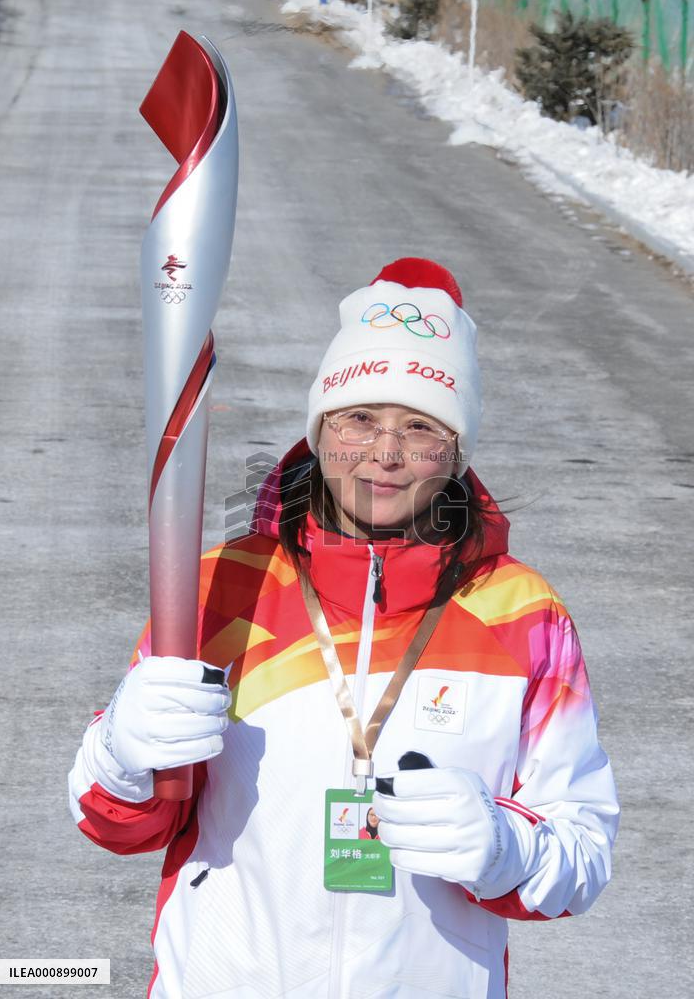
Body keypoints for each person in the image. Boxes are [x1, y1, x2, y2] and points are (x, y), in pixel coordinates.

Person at [68, 258, 619, 999]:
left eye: (420, 426)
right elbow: (114, 823)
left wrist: (503, 847)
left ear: (456, 451)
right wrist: (120, 754)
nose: (384, 453)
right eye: (359, 418)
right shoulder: (222, 588)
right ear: (321, 429)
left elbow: (582, 853)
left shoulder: (522, 615)